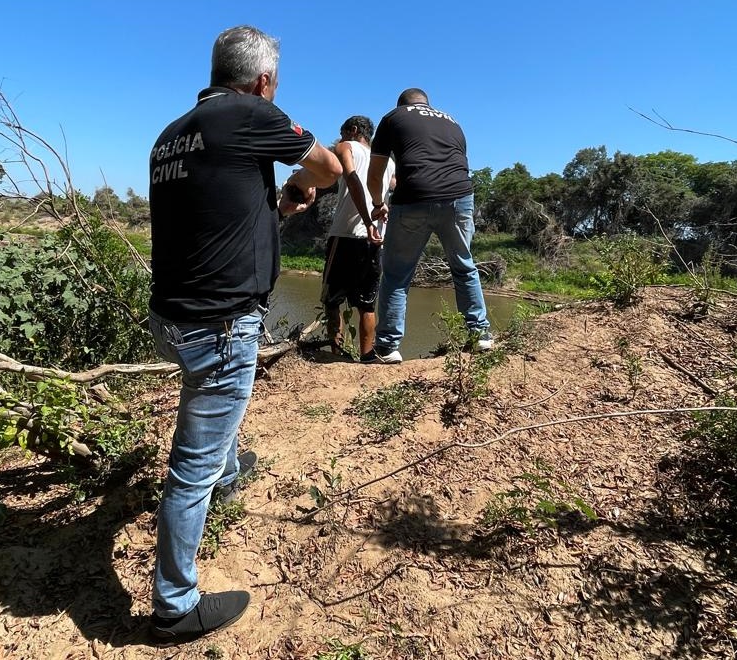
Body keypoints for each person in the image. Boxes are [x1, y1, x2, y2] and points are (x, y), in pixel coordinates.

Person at [147, 25, 341, 644]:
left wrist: (281, 208)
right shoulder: (252, 114)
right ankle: (175, 605)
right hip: (220, 323)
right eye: (273, 85)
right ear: (262, 82)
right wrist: (305, 159)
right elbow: (331, 169)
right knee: (189, 468)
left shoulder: (171, 136)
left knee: (207, 404)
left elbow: (217, 219)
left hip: (172, 317)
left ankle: (229, 472)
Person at [363, 88, 493, 364]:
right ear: (427, 104)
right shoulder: (452, 120)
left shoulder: (393, 117)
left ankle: (387, 348)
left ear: (402, 104)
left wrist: (377, 203)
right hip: (460, 197)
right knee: (464, 266)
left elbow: (375, 173)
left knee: (397, 274)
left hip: (414, 198)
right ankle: (480, 334)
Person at [320, 116, 395, 357]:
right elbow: (395, 187)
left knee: (331, 299)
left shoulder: (346, 147)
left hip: (345, 234)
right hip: (374, 240)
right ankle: (367, 356)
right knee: (366, 304)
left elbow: (352, 179)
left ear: (353, 130)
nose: (340, 138)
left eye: (342, 132)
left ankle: (336, 353)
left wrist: (365, 218)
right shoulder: (387, 162)